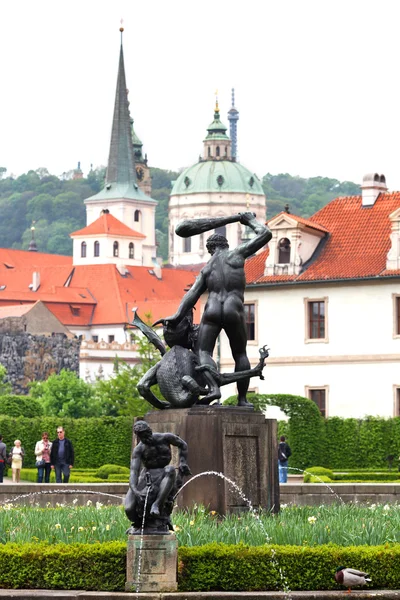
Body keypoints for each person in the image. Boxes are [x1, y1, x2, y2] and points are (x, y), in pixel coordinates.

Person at [159, 212, 272, 406]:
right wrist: (249, 220)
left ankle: (214, 389)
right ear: (226, 245)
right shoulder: (237, 254)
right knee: (240, 354)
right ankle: (242, 399)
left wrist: (177, 316)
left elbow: (191, 295)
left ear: (210, 250)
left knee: (204, 352)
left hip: (211, 310)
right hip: (233, 309)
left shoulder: (207, 268)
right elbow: (265, 234)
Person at [125, 420, 191, 527]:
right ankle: (140, 524)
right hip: (148, 474)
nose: (145, 438)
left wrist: (183, 462)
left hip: (165, 472)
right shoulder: (139, 449)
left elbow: (183, 444)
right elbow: (133, 472)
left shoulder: (165, 438)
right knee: (129, 509)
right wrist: (135, 490)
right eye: (141, 436)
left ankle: (156, 504)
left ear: (150, 431)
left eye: (146, 434)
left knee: (170, 469)